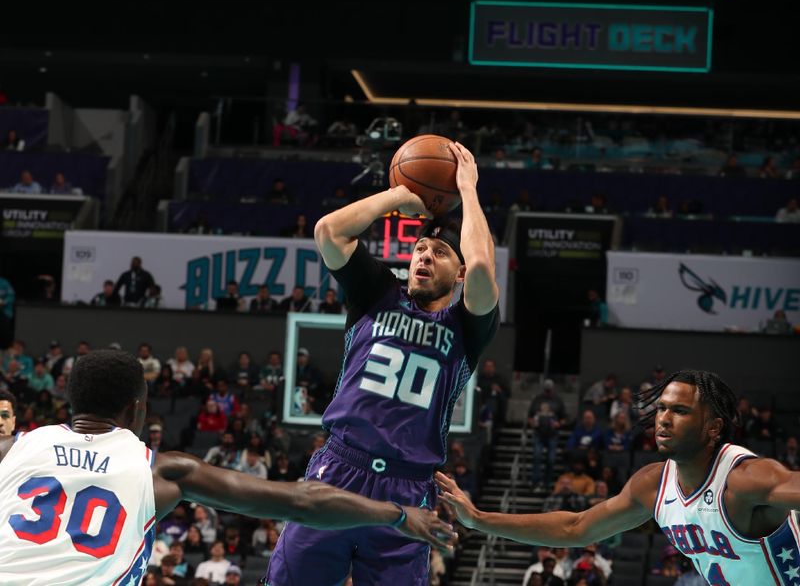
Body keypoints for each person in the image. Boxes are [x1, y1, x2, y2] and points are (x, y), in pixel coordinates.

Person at [0, 350, 456, 584]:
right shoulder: (161, 471)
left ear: (69, 399)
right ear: (138, 409)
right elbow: (302, 501)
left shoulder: (14, 448)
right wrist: (398, 514)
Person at [267, 141, 498, 585]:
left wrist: (467, 190)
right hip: (337, 470)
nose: (425, 258)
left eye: (441, 253)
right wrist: (399, 196)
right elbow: (328, 232)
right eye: (420, 250)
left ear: (460, 272)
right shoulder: (377, 292)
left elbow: (485, 270)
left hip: (407, 488)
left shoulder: (468, 326)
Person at [437, 368, 800, 586]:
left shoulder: (746, 479)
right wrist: (480, 519)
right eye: (661, 409)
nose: (664, 419)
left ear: (713, 427)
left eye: (680, 411)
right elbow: (575, 528)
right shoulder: (653, 484)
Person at [527, 380, 566, 492]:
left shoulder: (558, 400)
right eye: (546, 390)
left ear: (553, 389)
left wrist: (558, 423)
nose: (548, 392)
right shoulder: (537, 400)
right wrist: (532, 422)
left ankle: (547, 484)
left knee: (551, 459)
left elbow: (564, 418)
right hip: (538, 433)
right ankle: (535, 483)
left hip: (552, 434)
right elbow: (530, 416)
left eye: (549, 390)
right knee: (537, 457)